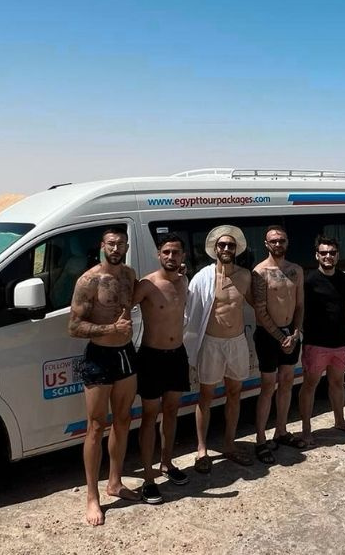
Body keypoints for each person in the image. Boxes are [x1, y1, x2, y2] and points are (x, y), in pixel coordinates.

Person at [67, 227, 139, 526]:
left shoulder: (130, 276)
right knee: (96, 426)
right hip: (99, 356)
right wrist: (111, 329)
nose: (116, 248)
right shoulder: (89, 281)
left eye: (121, 244)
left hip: (125, 354)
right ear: (102, 246)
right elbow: (74, 326)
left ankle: (115, 482)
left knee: (123, 421)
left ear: (127, 247)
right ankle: (92, 496)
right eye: (111, 244)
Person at [184, 225, 254, 472]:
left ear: (236, 249)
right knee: (206, 396)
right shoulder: (203, 277)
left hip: (236, 342)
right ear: (215, 249)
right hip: (211, 343)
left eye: (230, 245)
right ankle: (202, 449)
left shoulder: (245, 276)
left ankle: (229, 444)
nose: (226, 248)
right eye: (222, 245)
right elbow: (188, 309)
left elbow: (260, 304)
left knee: (234, 393)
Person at [130, 233, 190, 504]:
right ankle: (148, 478)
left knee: (172, 411)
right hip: (152, 357)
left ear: (183, 256)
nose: (170, 257)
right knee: (149, 416)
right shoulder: (147, 284)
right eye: (166, 252)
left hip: (177, 354)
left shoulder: (183, 281)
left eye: (175, 252)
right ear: (158, 254)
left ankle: (167, 463)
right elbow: (122, 308)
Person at [298, 235, 345, 444]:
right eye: (324, 253)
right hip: (315, 343)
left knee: (337, 383)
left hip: (339, 343)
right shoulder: (308, 281)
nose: (328, 256)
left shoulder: (344, 279)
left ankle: (340, 421)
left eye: (332, 253)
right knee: (310, 385)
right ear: (316, 255)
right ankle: (306, 430)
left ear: (338, 256)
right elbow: (299, 310)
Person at [251, 225, 305, 463]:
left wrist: (296, 333)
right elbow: (260, 310)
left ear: (287, 242)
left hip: (291, 333)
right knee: (267, 386)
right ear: (266, 244)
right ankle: (260, 439)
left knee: (287, 382)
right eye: (273, 241)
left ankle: (281, 431)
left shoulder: (296, 270)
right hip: (268, 336)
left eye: (281, 240)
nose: (278, 244)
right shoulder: (260, 272)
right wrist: (281, 337)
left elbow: (300, 305)